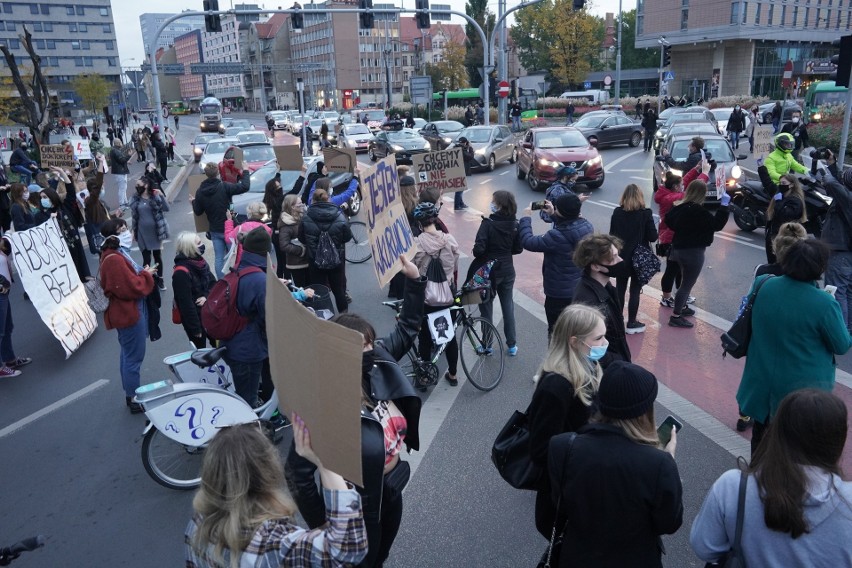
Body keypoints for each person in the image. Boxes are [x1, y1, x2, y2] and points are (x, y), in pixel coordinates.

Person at [286, 256, 425, 568]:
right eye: (360, 347)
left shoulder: (377, 364)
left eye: (370, 345)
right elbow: (298, 473)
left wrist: (414, 281)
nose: (369, 352)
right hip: (358, 510)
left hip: (391, 494)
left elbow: (408, 327)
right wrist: (326, 524)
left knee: (381, 557)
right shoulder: (323, 403)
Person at [691, 389, 852, 567]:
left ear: (777, 431)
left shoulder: (734, 487)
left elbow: (704, 547)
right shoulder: (847, 503)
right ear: (838, 441)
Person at [548, 361, 682, 567]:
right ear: (645, 411)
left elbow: (554, 510)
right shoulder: (659, 464)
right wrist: (669, 461)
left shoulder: (562, 447)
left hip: (576, 558)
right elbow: (669, 522)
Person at [186, 417, 368, 568]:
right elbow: (348, 547)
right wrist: (325, 463)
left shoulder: (198, 522)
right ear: (268, 471)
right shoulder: (272, 542)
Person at [736, 239, 851, 452]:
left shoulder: (763, 284)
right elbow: (841, 344)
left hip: (761, 385)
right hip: (801, 395)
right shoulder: (824, 303)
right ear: (820, 267)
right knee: (793, 452)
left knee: (760, 443)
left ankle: (758, 480)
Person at [527, 304, 605, 538]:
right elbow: (541, 450)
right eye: (599, 338)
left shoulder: (585, 366)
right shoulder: (556, 386)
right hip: (563, 494)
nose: (604, 343)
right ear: (574, 342)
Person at [99, 218, 156, 413]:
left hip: (127, 310)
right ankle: (133, 397)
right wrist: (146, 275)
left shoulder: (116, 253)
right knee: (134, 356)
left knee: (128, 354)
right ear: (112, 235)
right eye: (121, 229)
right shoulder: (114, 258)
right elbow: (130, 287)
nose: (126, 232)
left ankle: (130, 393)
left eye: (125, 228)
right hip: (128, 311)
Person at [519, 193, 594, 338]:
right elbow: (569, 226)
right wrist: (554, 214)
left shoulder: (555, 236)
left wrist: (526, 218)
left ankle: (557, 360)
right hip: (579, 289)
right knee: (576, 332)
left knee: (555, 333)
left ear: (562, 212)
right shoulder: (586, 226)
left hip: (558, 294)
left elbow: (528, 241)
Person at [663, 178, 731, 328]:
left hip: (677, 249)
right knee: (687, 284)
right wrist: (724, 206)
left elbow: (668, 220)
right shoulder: (699, 211)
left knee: (682, 281)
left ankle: (680, 308)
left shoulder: (680, 207)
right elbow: (717, 225)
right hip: (693, 252)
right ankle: (676, 316)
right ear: (702, 194)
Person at [220, 227, 273, 407]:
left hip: (233, 343)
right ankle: (249, 434)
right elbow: (269, 318)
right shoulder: (260, 280)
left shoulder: (238, 269)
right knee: (247, 403)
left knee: (246, 394)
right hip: (248, 350)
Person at [411, 202, 460, 388]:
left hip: (426, 297)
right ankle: (453, 374)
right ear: (435, 220)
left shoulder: (416, 244)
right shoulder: (449, 240)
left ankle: (423, 377)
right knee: (449, 336)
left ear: (419, 224)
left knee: (424, 337)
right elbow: (455, 265)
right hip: (447, 294)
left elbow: (412, 269)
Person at [473, 190, 522, 356]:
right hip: (508, 270)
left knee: (486, 308)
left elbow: (478, 250)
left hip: (489, 272)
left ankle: (487, 345)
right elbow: (518, 248)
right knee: (508, 306)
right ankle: (512, 345)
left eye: (493, 201)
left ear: (499, 204)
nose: (491, 203)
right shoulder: (515, 224)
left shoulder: (488, 223)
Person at [572, 233, 631, 365]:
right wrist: (619, 362)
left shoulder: (606, 287)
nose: (620, 260)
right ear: (595, 266)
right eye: (613, 258)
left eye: (617, 254)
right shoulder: (589, 303)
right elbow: (588, 349)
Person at [656, 163, 710, 308]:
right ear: (675, 187)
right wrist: (704, 174)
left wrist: (696, 168)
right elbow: (692, 192)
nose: (683, 186)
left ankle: (682, 295)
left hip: (673, 237)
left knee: (680, 269)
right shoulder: (672, 198)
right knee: (672, 270)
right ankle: (666, 297)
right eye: (680, 185)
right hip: (670, 238)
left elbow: (685, 181)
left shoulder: (668, 193)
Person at [609, 184, 659, 334]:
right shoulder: (645, 214)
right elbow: (652, 237)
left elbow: (612, 235)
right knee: (635, 291)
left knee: (620, 289)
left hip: (621, 256)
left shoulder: (617, 212)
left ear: (624, 197)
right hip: (638, 258)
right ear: (640, 197)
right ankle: (632, 322)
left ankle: (617, 321)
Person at [191, 162, 251, 278]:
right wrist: (246, 171)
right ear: (218, 173)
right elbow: (245, 186)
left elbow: (198, 212)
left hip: (215, 230)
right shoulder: (225, 186)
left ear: (206, 174)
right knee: (232, 256)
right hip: (229, 229)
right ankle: (234, 280)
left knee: (219, 258)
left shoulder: (200, 192)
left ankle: (222, 282)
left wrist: (194, 202)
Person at [300, 188, 352, 314]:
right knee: (338, 290)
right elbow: (347, 237)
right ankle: (344, 317)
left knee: (318, 291)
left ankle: (323, 317)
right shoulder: (339, 215)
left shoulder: (306, 217)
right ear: (328, 199)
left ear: (313, 200)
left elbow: (302, 238)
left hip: (315, 260)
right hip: (336, 259)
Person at [34, 169, 92, 281]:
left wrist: (62, 173)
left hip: (75, 246)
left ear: (52, 197)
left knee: (82, 275)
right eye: (41, 198)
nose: (42, 200)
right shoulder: (40, 216)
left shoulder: (65, 207)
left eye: (45, 197)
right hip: (58, 253)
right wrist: (49, 220)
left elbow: (70, 190)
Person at [821, 151, 852, 334]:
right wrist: (832, 163)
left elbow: (833, 184)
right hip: (848, 252)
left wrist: (824, 172)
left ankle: (839, 331)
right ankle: (847, 328)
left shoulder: (848, 199)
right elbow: (839, 184)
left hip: (841, 252)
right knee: (848, 292)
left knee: (837, 291)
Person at [172, 231, 216, 349]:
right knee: (201, 351)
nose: (202, 245)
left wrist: (206, 296)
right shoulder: (181, 273)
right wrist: (195, 328)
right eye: (199, 243)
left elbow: (213, 284)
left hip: (210, 313)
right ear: (190, 248)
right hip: (196, 319)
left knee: (218, 346)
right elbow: (185, 304)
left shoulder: (200, 261)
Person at [759, 163, 807, 263]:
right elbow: (768, 184)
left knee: (780, 264)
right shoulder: (780, 193)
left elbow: (785, 215)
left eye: (784, 183)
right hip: (773, 235)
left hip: (785, 238)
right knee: (772, 262)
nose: (781, 185)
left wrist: (779, 202)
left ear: (792, 185)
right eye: (780, 183)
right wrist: (761, 167)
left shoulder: (795, 201)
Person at [129, 176, 170, 290]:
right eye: (136, 185)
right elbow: (134, 217)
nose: (137, 187)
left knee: (157, 256)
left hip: (156, 232)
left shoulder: (155, 196)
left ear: (146, 185)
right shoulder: (135, 199)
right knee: (146, 258)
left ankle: (160, 279)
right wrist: (133, 231)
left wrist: (161, 195)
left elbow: (166, 208)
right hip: (142, 233)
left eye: (139, 185)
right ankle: (146, 280)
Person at [0, 236, 30, 377]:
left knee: (7, 327)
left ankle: (10, 360)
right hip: (1, 291)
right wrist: (2, 284)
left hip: (5, 292)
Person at [224, 202, 272, 270]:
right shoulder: (267, 229)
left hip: (244, 263)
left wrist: (229, 221)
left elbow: (228, 238)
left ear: (249, 213)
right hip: (262, 264)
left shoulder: (241, 228)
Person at [278, 194, 310, 288]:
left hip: (307, 261)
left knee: (311, 288)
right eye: (300, 204)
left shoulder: (302, 217)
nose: (302, 205)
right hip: (297, 264)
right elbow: (284, 245)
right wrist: (301, 250)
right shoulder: (286, 225)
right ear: (292, 207)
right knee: (303, 290)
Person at [83, 171, 113, 255]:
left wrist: (114, 216)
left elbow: (104, 216)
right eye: (101, 187)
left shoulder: (99, 201)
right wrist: (100, 165)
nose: (102, 188)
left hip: (107, 233)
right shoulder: (90, 201)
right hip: (102, 236)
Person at [263, 175, 287, 277]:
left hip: (276, 235)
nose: (281, 187)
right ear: (275, 190)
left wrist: (278, 173)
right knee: (285, 262)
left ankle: (280, 282)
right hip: (281, 234)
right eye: (278, 186)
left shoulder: (270, 199)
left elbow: (275, 183)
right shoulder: (280, 201)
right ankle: (286, 285)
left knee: (280, 262)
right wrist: (302, 176)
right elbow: (296, 189)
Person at [108, 139, 132, 209]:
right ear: (118, 143)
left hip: (120, 171)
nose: (122, 143)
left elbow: (118, 160)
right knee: (122, 188)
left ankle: (125, 202)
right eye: (121, 142)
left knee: (123, 188)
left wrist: (126, 161)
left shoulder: (115, 150)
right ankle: (122, 204)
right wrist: (129, 156)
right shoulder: (116, 151)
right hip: (120, 171)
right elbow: (122, 160)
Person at [455, 138, 473, 210]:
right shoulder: (461, 150)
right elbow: (470, 157)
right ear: (465, 143)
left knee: (461, 187)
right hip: (461, 171)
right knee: (460, 188)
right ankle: (457, 205)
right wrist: (470, 147)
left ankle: (460, 203)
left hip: (458, 170)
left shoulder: (456, 148)